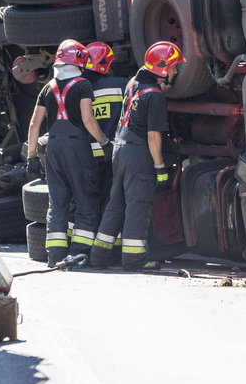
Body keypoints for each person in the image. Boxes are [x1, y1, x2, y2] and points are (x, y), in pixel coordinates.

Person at [89, 41, 185, 271]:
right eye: (174, 67)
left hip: (119, 150)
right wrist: (160, 167)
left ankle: (99, 257)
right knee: (138, 205)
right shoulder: (155, 96)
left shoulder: (133, 83)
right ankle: (134, 260)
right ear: (163, 68)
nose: (176, 71)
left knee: (116, 205)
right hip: (138, 154)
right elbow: (153, 136)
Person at [26, 39, 112, 267]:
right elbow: (87, 119)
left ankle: (54, 256)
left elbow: (35, 124)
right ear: (80, 61)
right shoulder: (83, 85)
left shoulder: (47, 87)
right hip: (77, 147)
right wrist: (104, 141)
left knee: (57, 203)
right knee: (85, 200)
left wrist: (31, 156)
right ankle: (79, 253)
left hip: (52, 147)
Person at [83, 42, 129, 214]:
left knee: (88, 206)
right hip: (111, 154)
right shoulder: (121, 85)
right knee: (113, 203)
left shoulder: (76, 89)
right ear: (105, 64)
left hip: (85, 158)